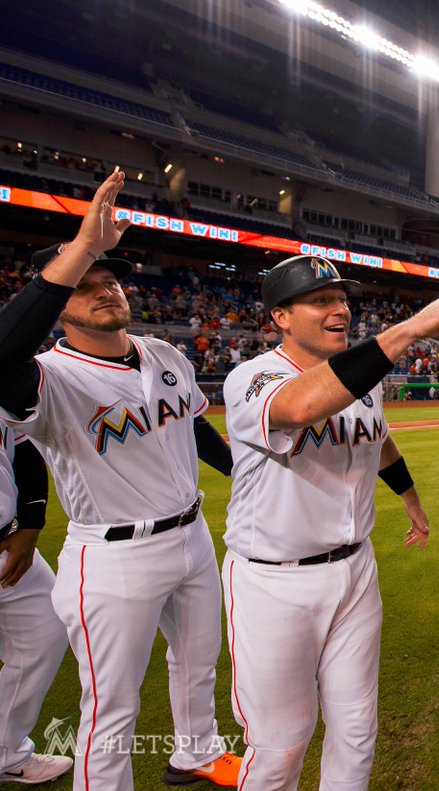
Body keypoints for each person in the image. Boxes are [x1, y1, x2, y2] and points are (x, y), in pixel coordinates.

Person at [0, 170, 240, 789]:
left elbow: (192, 427)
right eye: (86, 286)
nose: (106, 291)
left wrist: (243, 473)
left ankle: (197, 752)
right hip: (111, 554)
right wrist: (82, 249)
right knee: (111, 707)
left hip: (190, 534)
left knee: (197, 665)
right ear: (57, 303)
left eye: (111, 282)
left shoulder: (164, 353)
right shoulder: (45, 378)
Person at [221, 254, 439, 790]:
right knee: (281, 743)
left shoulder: (366, 378)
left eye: (342, 299)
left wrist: (408, 494)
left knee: (357, 728)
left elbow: (377, 436)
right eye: (321, 301)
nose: (340, 309)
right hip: (275, 580)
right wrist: (411, 327)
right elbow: (300, 408)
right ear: (280, 318)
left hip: (357, 571)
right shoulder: (253, 378)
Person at [0, 429, 72, 785]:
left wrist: (30, 524)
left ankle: (6, 752)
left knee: (47, 630)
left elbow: (23, 451)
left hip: (7, 544)